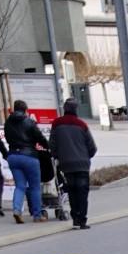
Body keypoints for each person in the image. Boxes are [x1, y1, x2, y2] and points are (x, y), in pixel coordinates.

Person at [48, 97, 98, 229]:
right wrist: (86, 157)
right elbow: (92, 147)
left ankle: (75, 218)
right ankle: (82, 220)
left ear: (64, 109)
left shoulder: (57, 124)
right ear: (76, 109)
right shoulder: (82, 124)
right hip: (82, 164)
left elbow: (52, 145)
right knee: (82, 192)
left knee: (72, 192)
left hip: (66, 165)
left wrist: (58, 157)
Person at [3, 98, 49, 223]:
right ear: (25, 110)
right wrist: (47, 146)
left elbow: (7, 138)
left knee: (20, 186)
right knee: (35, 187)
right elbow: (39, 137)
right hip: (29, 156)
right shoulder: (29, 122)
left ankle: (17, 210)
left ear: (14, 109)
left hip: (13, 156)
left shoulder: (8, 123)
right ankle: (37, 215)